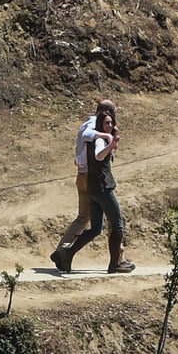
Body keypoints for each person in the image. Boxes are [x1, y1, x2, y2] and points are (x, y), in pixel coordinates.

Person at [51, 111, 136, 274]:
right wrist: (110, 144)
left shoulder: (96, 137)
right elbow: (98, 155)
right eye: (106, 123)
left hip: (93, 189)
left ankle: (68, 253)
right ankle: (114, 264)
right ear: (100, 124)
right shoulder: (99, 140)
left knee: (95, 228)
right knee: (117, 225)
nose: (109, 126)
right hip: (103, 189)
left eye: (111, 123)